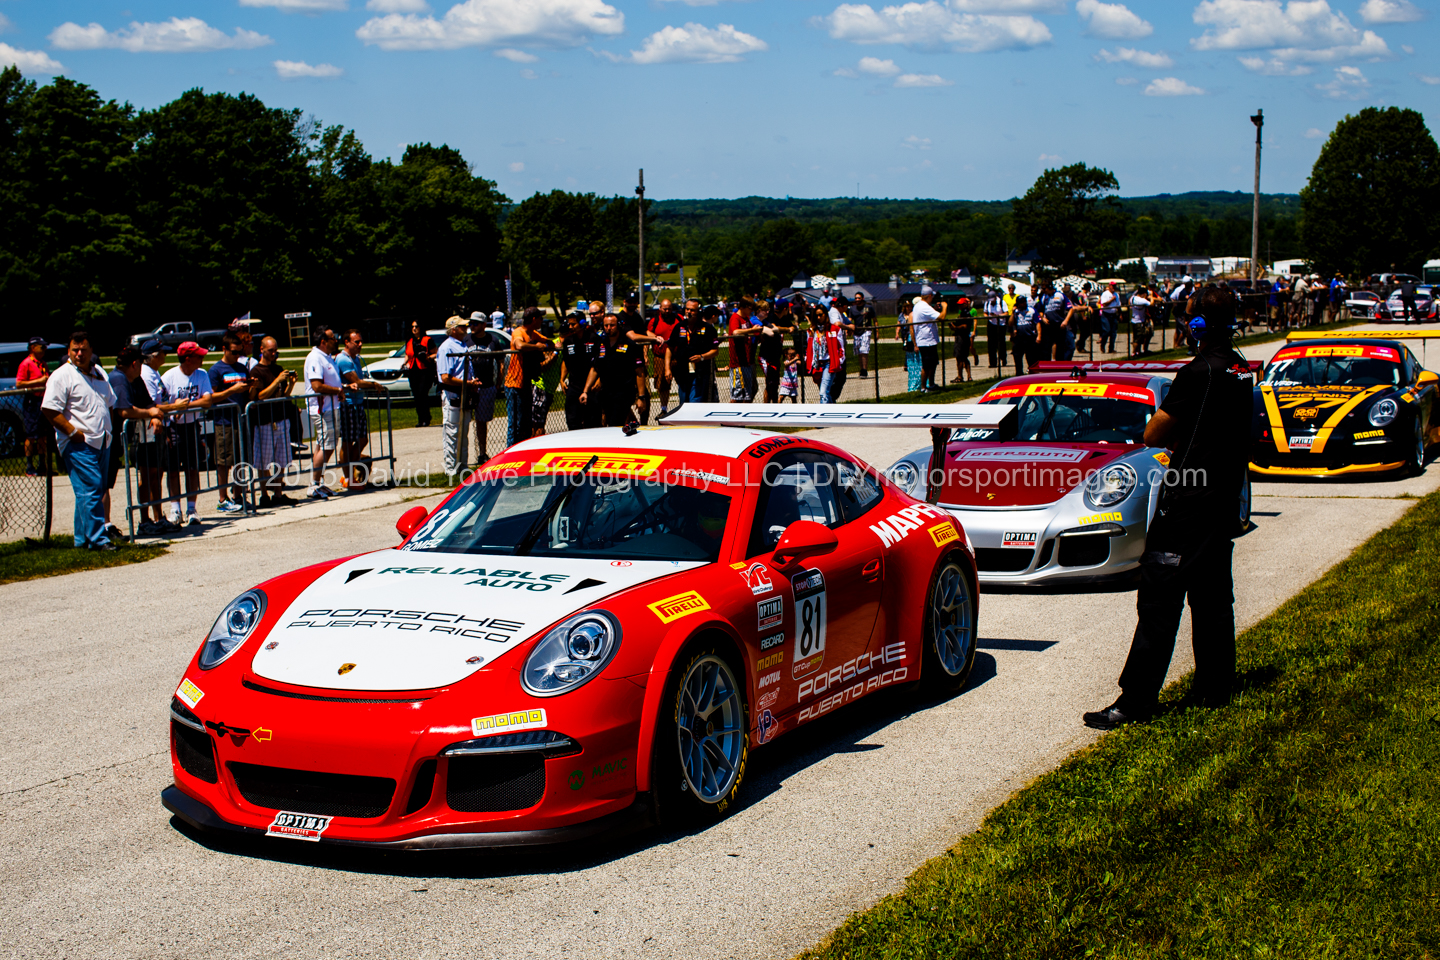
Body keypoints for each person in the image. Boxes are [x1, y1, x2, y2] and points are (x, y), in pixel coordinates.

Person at [1085, 286, 1254, 729]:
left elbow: (1154, 434)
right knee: (1213, 597)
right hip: (1222, 498)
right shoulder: (1241, 368)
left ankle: (1135, 701)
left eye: (1189, 316)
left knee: (1159, 600)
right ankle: (1216, 687)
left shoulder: (1197, 371)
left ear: (1198, 325)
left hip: (1187, 499)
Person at [41, 330, 116, 550]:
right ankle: (98, 539)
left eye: (83, 349)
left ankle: (82, 540)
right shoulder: (62, 376)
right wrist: (73, 433)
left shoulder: (99, 372)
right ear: (69, 351)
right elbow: (49, 409)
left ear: (92, 350)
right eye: (75, 350)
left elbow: (110, 402)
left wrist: (108, 429)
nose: (79, 354)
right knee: (92, 488)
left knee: (88, 491)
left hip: (102, 441)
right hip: (78, 444)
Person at [102, 345, 162, 541]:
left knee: (106, 483)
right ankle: (103, 527)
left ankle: (105, 525)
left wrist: (154, 415)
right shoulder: (118, 379)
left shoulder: (134, 379)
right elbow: (124, 411)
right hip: (108, 438)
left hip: (122, 439)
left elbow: (147, 402)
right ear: (135, 364)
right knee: (102, 484)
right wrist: (150, 413)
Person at [162, 342, 217, 527]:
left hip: (192, 426)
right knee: (173, 470)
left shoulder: (201, 374)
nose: (202, 359)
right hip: (173, 427)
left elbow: (207, 400)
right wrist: (174, 409)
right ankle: (175, 509)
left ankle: (192, 509)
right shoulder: (169, 377)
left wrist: (184, 406)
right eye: (198, 356)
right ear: (187, 359)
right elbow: (163, 404)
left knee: (192, 468)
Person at [248, 336, 298, 508]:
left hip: (281, 419)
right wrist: (277, 380)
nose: (274, 353)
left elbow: (283, 395)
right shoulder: (256, 371)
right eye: (271, 350)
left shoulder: (278, 368)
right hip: (265, 422)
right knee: (263, 461)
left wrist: (291, 384)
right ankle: (264, 495)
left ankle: (278, 493)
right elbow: (260, 396)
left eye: (276, 350)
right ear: (262, 350)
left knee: (281, 459)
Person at [206, 332, 253, 514]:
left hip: (241, 420)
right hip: (224, 421)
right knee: (224, 461)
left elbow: (248, 394)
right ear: (224, 349)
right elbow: (211, 397)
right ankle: (222, 498)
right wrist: (232, 390)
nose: (237, 356)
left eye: (240, 352)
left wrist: (252, 386)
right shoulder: (215, 370)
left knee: (241, 461)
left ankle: (239, 495)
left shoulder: (242, 367)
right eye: (234, 352)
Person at [335, 329, 380, 489]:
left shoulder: (355, 359)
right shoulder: (343, 359)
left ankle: (350, 472)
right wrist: (374, 385)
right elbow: (356, 381)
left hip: (358, 403)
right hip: (347, 405)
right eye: (356, 342)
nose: (360, 344)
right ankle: (349, 477)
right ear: (347, 342)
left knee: (362, 439)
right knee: (347, 442)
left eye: (361, 341)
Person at [303, 327, 344, 500]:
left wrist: (341, 388)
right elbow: (317, 385)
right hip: (322, 408)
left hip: (331, 407)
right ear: (323, 341)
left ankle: (318, 482)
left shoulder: (326, 357)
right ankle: (313, 484)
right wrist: (337, 391)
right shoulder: (315, 357)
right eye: (332, 338)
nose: (336, 340)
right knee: (327, 446)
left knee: (322, 445)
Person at [504, 308, 554, 447]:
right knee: (515, 424)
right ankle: (511, 452)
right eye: (540, 318)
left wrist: (544, 345)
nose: (542, 321)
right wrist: (536, 347)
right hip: (514, 384)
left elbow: (549, 343)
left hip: (526, 383)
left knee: (526, 423)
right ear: (533, 319)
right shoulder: (519, 332)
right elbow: (519, 345)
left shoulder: (532, 333)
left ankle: (522, 450)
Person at [581, 312, 639, 428]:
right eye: (606, 325)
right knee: (609, 422)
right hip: (606, 392)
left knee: (615, 423)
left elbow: (639, 371)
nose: (609, 328)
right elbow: (595, 369)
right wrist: (585, 391)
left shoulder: (629, 344)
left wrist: (641, 396)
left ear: (618, 326)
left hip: (624, 391)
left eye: (612, 325)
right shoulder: (600, 344)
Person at [665, 300, 721, 404]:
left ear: (698, 311)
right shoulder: (679, 327)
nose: (689, 312)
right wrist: (667, 369)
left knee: (695, 401)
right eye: (687, 309)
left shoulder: (708, 328)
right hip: (682, 372)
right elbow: (669, 348)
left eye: (692, 310)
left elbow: (715, 351)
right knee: (683, 402)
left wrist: (702, 357)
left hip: (700, 372)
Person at [559, 309, 600, 430]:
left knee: (591, 421)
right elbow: (565, 361)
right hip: (574, 385)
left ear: (582, 323)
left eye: (573, 324)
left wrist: (599, 380)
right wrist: (562, 379)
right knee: (572, 420)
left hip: (591, 386)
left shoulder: (594, 339)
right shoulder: (568, 341)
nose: (570, 327)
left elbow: (599, 363)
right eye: (569, 324)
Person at [16, 337, 49, 476]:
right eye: (41, 347)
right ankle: (29, 466)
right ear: (33, 348)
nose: (44, 349)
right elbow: (19, 383)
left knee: (42, 435)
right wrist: (38, 381)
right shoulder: (26, 364)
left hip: (42, 400)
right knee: (31, 434)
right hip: (32, 401)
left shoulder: (42, 363)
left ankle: (42, 465)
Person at [647, 298, 682, 417]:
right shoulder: (654, 321)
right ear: (660, 308)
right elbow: (647, 334)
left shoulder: (678, 318)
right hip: (660, 357)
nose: (667, 311)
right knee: (662, 385)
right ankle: (664, 409)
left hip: (677, 356)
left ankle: (683, 405)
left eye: (669, 309)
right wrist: (655, 337)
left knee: (683, 382)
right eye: (665, 309)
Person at [727, 298, 762, 403]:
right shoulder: (735, 318)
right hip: (738, 362)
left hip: (748, 361)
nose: (752, 311)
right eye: (750, 308)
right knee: (738, 395)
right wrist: (752, 330)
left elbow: (752, 330)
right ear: (743, 307)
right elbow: (735, 332)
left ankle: (746, 411)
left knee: (749, 392)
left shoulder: (746, 318)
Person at [404, 320, 437, 427]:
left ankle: (426, 418)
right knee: (416, 395)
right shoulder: (409, 341)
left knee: (422, 393)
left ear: (421, 328)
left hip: (425, 370)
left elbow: (436, 353)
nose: (414, 329)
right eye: (412, 327)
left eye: (416, 326)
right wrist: (404, 363)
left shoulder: (427, 340)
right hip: (413, 370)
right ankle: (420, 419)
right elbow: (408, 354)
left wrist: (428, 358)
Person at [912, 285, 945, 392]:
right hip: (926, 341)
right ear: (929, 296)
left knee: (932, 364)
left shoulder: (919, 306)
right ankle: (923, 387)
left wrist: (934, 309)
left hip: (928, 340)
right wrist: (945, 307)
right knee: (926, 366)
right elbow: (941, 317)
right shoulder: (924, 307)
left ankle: (931, 384)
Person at [757, 301, 789, 403]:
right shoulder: (771, 317)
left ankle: (775, 405)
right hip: (767, 356)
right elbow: (774, 328)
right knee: (769, 384)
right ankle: (767, 407)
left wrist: (790, 328)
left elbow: (792, 327)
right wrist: (786, 329)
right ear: (785, 309)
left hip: (776, 357)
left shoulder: (784, 318)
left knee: (774, 385)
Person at [898, 298, 923, 392]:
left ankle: (920, 384)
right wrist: (915, 344)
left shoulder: (917, 314)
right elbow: (911, 330)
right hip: (912, 340)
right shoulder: (913, 315)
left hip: (917, 340)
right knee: (913, 363)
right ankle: (914, 385)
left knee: (919, 363)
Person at [1009, 295, 1037, 375]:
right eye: (1020, 303)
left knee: (1031, 357)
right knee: (1017, 356)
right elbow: (1010, 323)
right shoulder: (1016, 312)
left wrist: (1039, 335)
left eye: (1024, 302)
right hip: (1019, 337)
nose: (1023, 304)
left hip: (1030, 337)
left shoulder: (1031, 310)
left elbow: (1037, 323)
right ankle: (1019, 373)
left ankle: (1032, 373)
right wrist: (1012, 313)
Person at [950, 304, 974, 383]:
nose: (959, 306)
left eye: (961, 304)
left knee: (959, 357)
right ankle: (969, 376)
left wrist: (955, 327)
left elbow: (965, 326)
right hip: (964, 337)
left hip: (961, 338)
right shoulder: (965, 313)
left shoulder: (965, 314)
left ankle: (960, 377)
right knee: (964, 357)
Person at [984, 289, 1008, 371]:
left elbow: (1006, 313)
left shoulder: (1001, 302)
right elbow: (985, 312)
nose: (992, 301)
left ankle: (1003, 359)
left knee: (1001, 343)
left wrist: (998, 316)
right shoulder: (987, 303)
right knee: (991, 344)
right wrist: (987, 316)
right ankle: (992, 362)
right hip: (991, 323)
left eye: (993, 299)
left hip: (1000, 324)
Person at [1098, 281, 1121, 354]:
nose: (1113, 287)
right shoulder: (1105, 294)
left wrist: (1120, 314)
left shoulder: (1116, 294)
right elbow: (1104, 304)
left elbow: (1118, 305)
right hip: (1106, 314)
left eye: (1114, 286)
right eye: (1112, 286)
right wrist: (1111, 300)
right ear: (1109, 286)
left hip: (1113, 314)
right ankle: (1103, 344)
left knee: (1113, 332)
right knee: (1107, 330)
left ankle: (1111, 348)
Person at [1129, 286, 1152, 356]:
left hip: (1134, 319)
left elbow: (1129, 301)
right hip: (1139, 321)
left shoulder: (1133, 298)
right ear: (1144, 294)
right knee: (1138, 338)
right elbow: (1151, 304)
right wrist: (1152, 298)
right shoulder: (1142, 300)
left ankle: (1137, 352)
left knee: (1135, 337)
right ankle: (1133, 353)